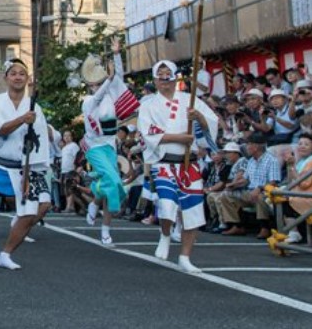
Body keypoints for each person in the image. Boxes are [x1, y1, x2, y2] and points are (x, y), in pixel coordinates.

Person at [137, 59, 219, 273]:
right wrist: (179, 137)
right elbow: (149, 134)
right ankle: (165, 233)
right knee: (166, 205)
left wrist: (198, 116)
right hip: (164, 163)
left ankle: (185, 256)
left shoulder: (189, 100)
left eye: (168, 74)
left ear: (175, 77)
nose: (164, 78)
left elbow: (212, 123)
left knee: (192, 211)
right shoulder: (148, 105)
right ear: (155, 79)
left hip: (189, 164)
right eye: (160, 75)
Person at [0, 58, 51, 273]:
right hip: (0, 163)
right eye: (13, 73)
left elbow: (40, 142)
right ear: (6, 78)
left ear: (28, 79)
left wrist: (32, 172)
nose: (18, 76)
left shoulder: (35, 106)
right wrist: (21, 120)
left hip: (26, 166)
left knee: (38, 209)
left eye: (22, 73)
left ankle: (6, 254)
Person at [81, 37, 129, 246]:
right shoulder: (88, 102)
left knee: (110, 186)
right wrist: (108, 80)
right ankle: (96, 200)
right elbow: (101, 94)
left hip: (110, 146)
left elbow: (119, 77)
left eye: (100, 83)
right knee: (114, 181)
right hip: (94, 147)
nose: (97, 86)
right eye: (94, 84)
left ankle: (105, 228)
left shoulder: (111, 96)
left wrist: (117, 54)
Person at [218, 133, 281, 238]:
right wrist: (234, 184)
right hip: (249, 192)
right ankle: (237, 226)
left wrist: (259, 188)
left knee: (260, 197)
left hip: (266, 193)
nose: (246, 148)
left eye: (248, 145)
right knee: (226, 194)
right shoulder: (251, 161)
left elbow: (274, 182)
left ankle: (264, 228)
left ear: (255, 147)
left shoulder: (272, 160)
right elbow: (246, 180)